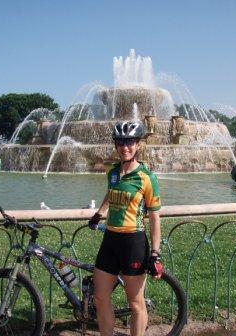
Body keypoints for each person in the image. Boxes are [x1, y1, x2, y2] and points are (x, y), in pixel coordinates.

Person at [88, 120, 163, 336]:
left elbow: (155, 217)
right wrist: (99, 213)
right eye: (120, 142)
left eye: (130, 142)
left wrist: (156, 253)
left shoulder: (146, 178)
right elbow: (112, 194)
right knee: (100, 298)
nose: (125, 147)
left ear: (138, 144)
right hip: (110, 241)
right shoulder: (112, 173)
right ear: (116, 145)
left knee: (135, 303)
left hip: (133, 243)